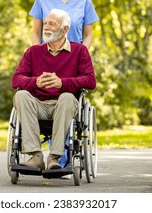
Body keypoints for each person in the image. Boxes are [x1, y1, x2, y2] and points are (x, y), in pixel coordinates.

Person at [12, 9, 96, 170]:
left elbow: (90, 81)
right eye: (45, 23)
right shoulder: (33, 52)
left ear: (65, 29)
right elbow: (16, 79)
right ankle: (35, 156)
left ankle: (54, 157)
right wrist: (35, 82)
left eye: (52, 24)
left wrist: (62, 83)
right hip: (38, 106)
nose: (46, 27)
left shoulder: (79, 51)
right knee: (21, 95)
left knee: (66, 97)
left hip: (65, 106)